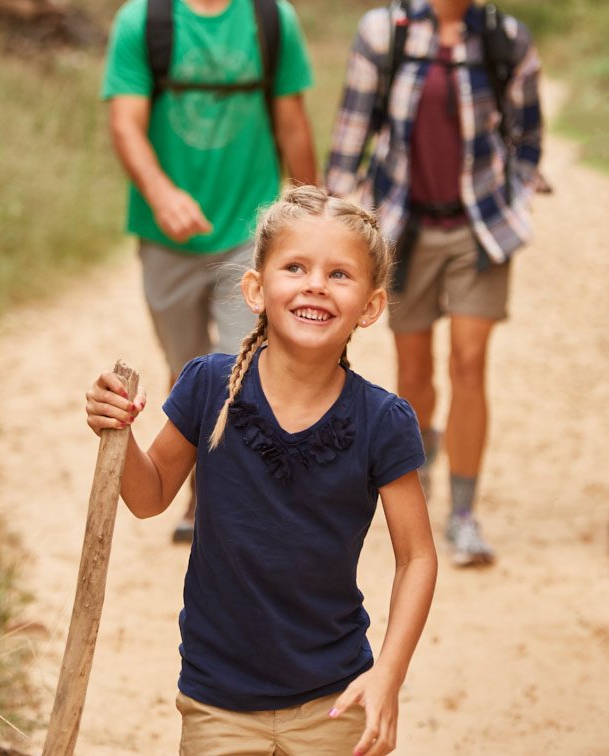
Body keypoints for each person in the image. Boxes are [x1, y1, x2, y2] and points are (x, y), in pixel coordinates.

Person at [86, 185, 436, 756]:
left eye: (340, 274)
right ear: (255, 289)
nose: (316, 285)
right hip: (217, 699)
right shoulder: (207, 386)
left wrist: (389, 677)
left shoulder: (383, 421)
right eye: (295, 267)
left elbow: (417, 556)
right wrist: (117, 432)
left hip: (335, 699)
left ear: (371, 307)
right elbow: (149, 497)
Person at [325, 0, 544, 568]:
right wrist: (337, 221)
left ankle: (466, 514)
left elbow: (529, 137)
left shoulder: (504, 39)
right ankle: (412, 486)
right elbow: (351, 136)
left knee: (471, 363)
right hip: (404, 230)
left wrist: (514, 193)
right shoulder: (384, 31)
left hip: (478, 231)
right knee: (414, 373)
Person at [101, 0, 317, 542]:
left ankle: (218, 500)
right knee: (187, 366)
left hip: (246, 233)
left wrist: (310, 216)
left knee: (240, 364)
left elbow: (292, 121)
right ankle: (193, 479)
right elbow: (126, 123)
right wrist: (162, 195)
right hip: (166, 235)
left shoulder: (269, 16)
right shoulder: (145, 19)